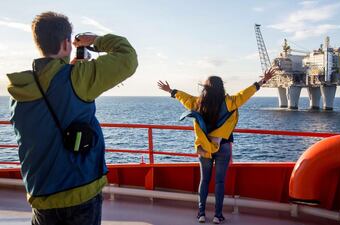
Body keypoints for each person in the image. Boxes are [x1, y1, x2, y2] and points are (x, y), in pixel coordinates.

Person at [7, 12, 138, 225]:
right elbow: (127, 57)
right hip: (80, 191)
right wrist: (95, 41)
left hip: (41, 194)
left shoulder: (19, 91)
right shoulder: (78, 78)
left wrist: (69, 70)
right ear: (66, 44)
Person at [157, 68, 275, 224]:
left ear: (206, 88)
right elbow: (246, 93)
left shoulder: (197, 102)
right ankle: (217, 216)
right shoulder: (230, 102)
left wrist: (171, 90)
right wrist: (263, 80)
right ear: (222, 87)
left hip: (204, 147)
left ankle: (201, 214)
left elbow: (183, 98)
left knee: (204, 180)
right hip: (223, 146)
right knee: (219, 182)